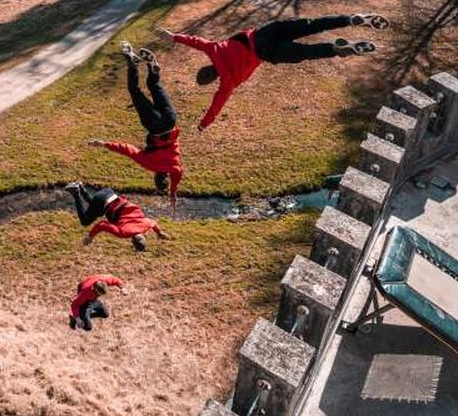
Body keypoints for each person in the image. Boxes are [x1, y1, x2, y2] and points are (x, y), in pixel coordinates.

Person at [155, 13, 390, 131]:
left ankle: (337, 50)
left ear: (213, 79)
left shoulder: (227, 82)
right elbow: (194, 41)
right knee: (313, 24)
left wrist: (204, 124)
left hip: (268, 53)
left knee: (305, 53)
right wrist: (171, 36)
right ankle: (350, 19)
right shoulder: (213, 49)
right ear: (206, 67)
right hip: (264, 33)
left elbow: (217, 105)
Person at [89, 41, 184, 208]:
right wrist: (104, 144)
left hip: (171, 121)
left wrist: (173, 194)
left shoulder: (176, 169)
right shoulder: (149, 164)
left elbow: (176, 180)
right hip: (155, 127)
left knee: (154, 85)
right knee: (135, 91)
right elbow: (127, 149)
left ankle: (153, 67)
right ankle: (132, 63)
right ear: (155, 176)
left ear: (166, 176)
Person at [64, 181, 169, 251]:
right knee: (85, 221)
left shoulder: (146, 225)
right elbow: (102, 225)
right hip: (102, 200)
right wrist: (90, 237)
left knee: (97, 211)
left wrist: (160, 233)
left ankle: (81, 188)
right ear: (132, 242)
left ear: (143, 236)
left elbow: (154, 223)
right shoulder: (123, 233)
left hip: (110, 194)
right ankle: (76, 192)